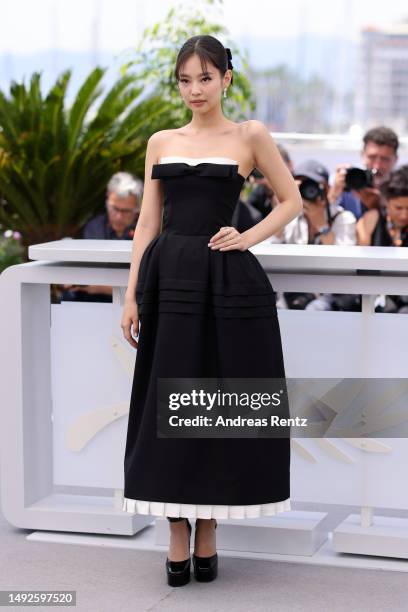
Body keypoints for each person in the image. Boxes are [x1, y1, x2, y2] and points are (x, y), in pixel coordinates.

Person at [120, 34, 302, 586]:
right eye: (185, 80)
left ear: (226, 78)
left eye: (205, 77)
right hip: (169, 279)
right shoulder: (160, 141)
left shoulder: (250, 135)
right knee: (169, 401)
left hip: (226, 281)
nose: (194, 89)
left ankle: (211, 523)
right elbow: (147, 223)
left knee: (219, 400)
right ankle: (177, 527)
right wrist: (131, 294)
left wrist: (245, 238)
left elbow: (290, 200)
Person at [270, 159, 358, 311]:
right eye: (301, 185)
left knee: (316, 309)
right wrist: (284, 207)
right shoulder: (291, 219)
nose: (307, 190)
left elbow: (345, 262)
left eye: (313, 185)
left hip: (329, 293)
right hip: (292, 291)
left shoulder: (343, 218)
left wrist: (322, 225)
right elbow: (271, 247)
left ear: (326, 188)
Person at [61, 172, 142, 302]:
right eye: (115, 208)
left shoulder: (145, 233)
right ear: (107, 199)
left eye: (126, 211)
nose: (119, 217)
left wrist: (100, 287)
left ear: (138, 208)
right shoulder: (94, 227)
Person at [356, 164, 408, 313]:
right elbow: (361, 264)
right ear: (387, 201)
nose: (404, 215)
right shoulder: (372, 220)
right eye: (398, 208)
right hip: (372, 292)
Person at [328, 126, 399, 220]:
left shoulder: (401, 187)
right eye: (372, 157)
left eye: (385, 159)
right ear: (362, 155)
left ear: (395, 159)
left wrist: (379, 205)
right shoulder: (348, 178)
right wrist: (333, 194)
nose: (377, 166)